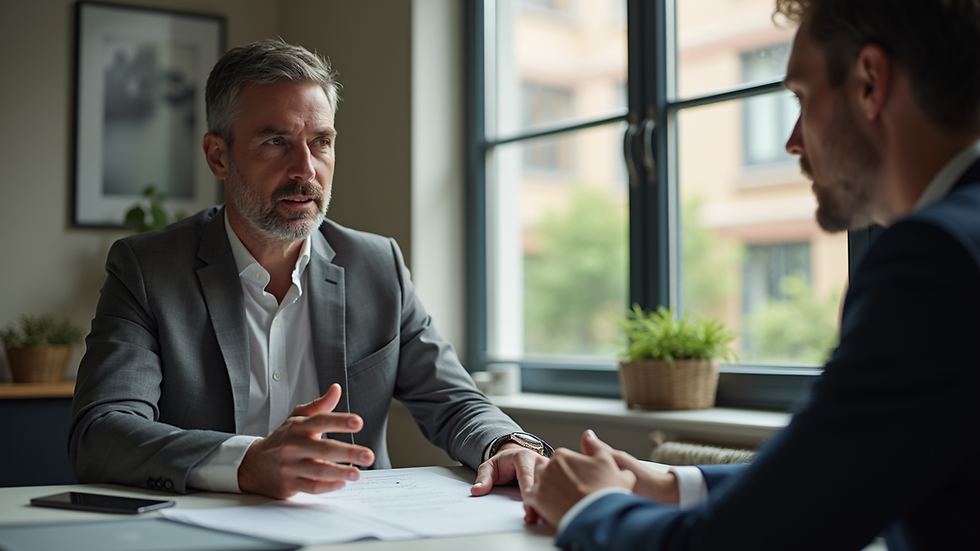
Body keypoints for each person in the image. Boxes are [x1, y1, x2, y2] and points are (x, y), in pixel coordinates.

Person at [523, 0, 980, 549]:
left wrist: (591, 507)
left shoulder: (936, 258)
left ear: (869, 83)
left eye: (802, 98)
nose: (792, 140)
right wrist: (672, 486)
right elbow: (846, 471)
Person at [69, 40, 551, 500]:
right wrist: (245, 463)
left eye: (321, 142)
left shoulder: (377, 265)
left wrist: (506, 445)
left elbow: (453, 399)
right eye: (276, 141)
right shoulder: (148, 270)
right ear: (219, 156)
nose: (306, 169)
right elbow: (101, 431)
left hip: (351, 528)